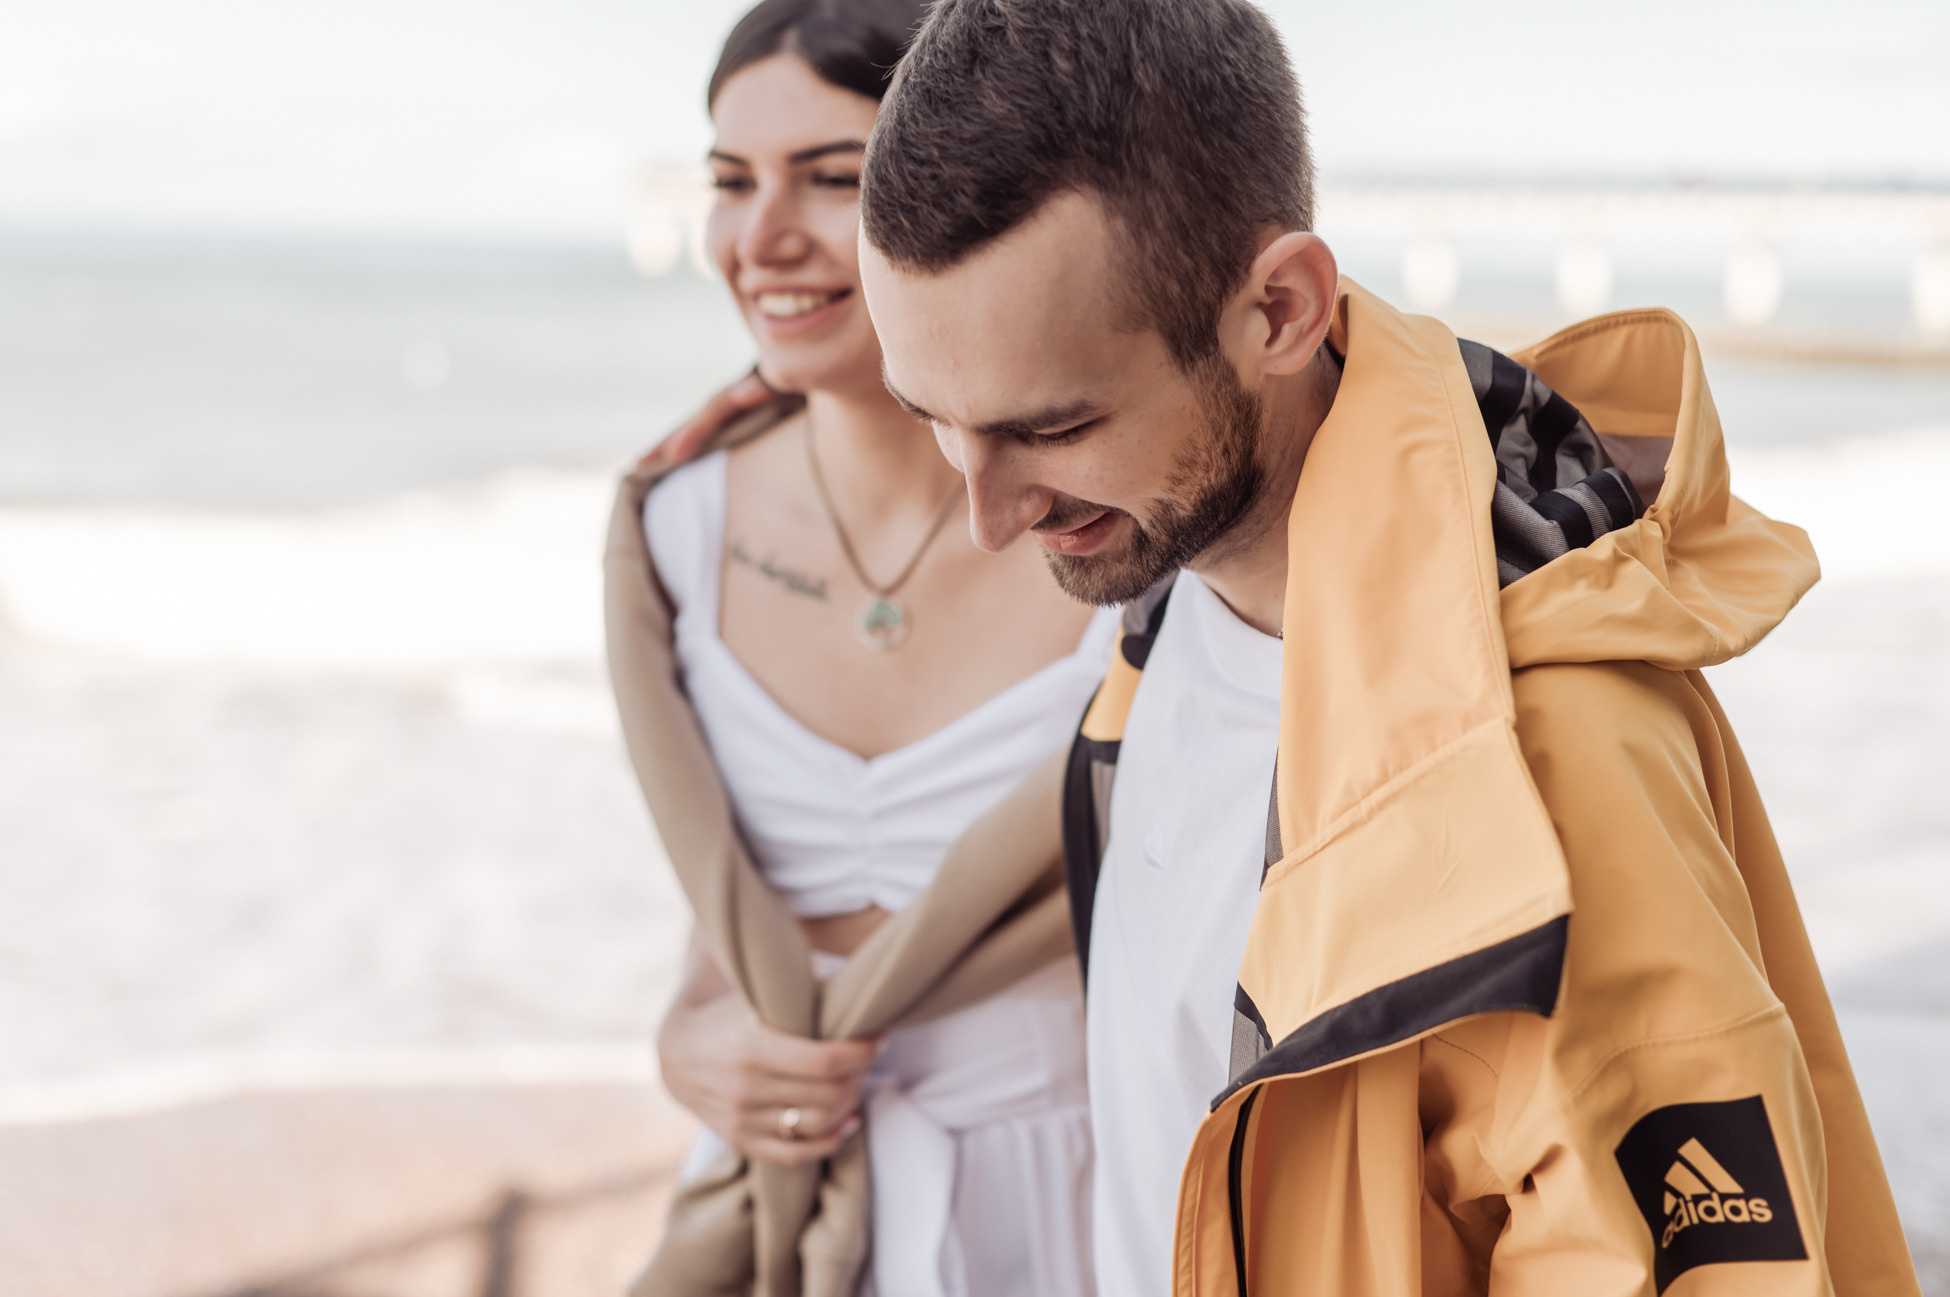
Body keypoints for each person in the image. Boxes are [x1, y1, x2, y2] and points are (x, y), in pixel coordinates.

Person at [850, 1, 1921, 1294]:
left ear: (1281, 310)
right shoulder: (1164, 592)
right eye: (935, 417)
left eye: (1052, 426)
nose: (987, 515)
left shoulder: (1550, 757)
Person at [602, 2, 1110, 1294]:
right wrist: (685, 1043)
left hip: (1079, 1193)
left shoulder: (1116, 535)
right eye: (732, 182)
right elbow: (731, 904)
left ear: (978, 194)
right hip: (777, 1203)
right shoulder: (673, 526)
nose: (761, 237)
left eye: (831, 178)